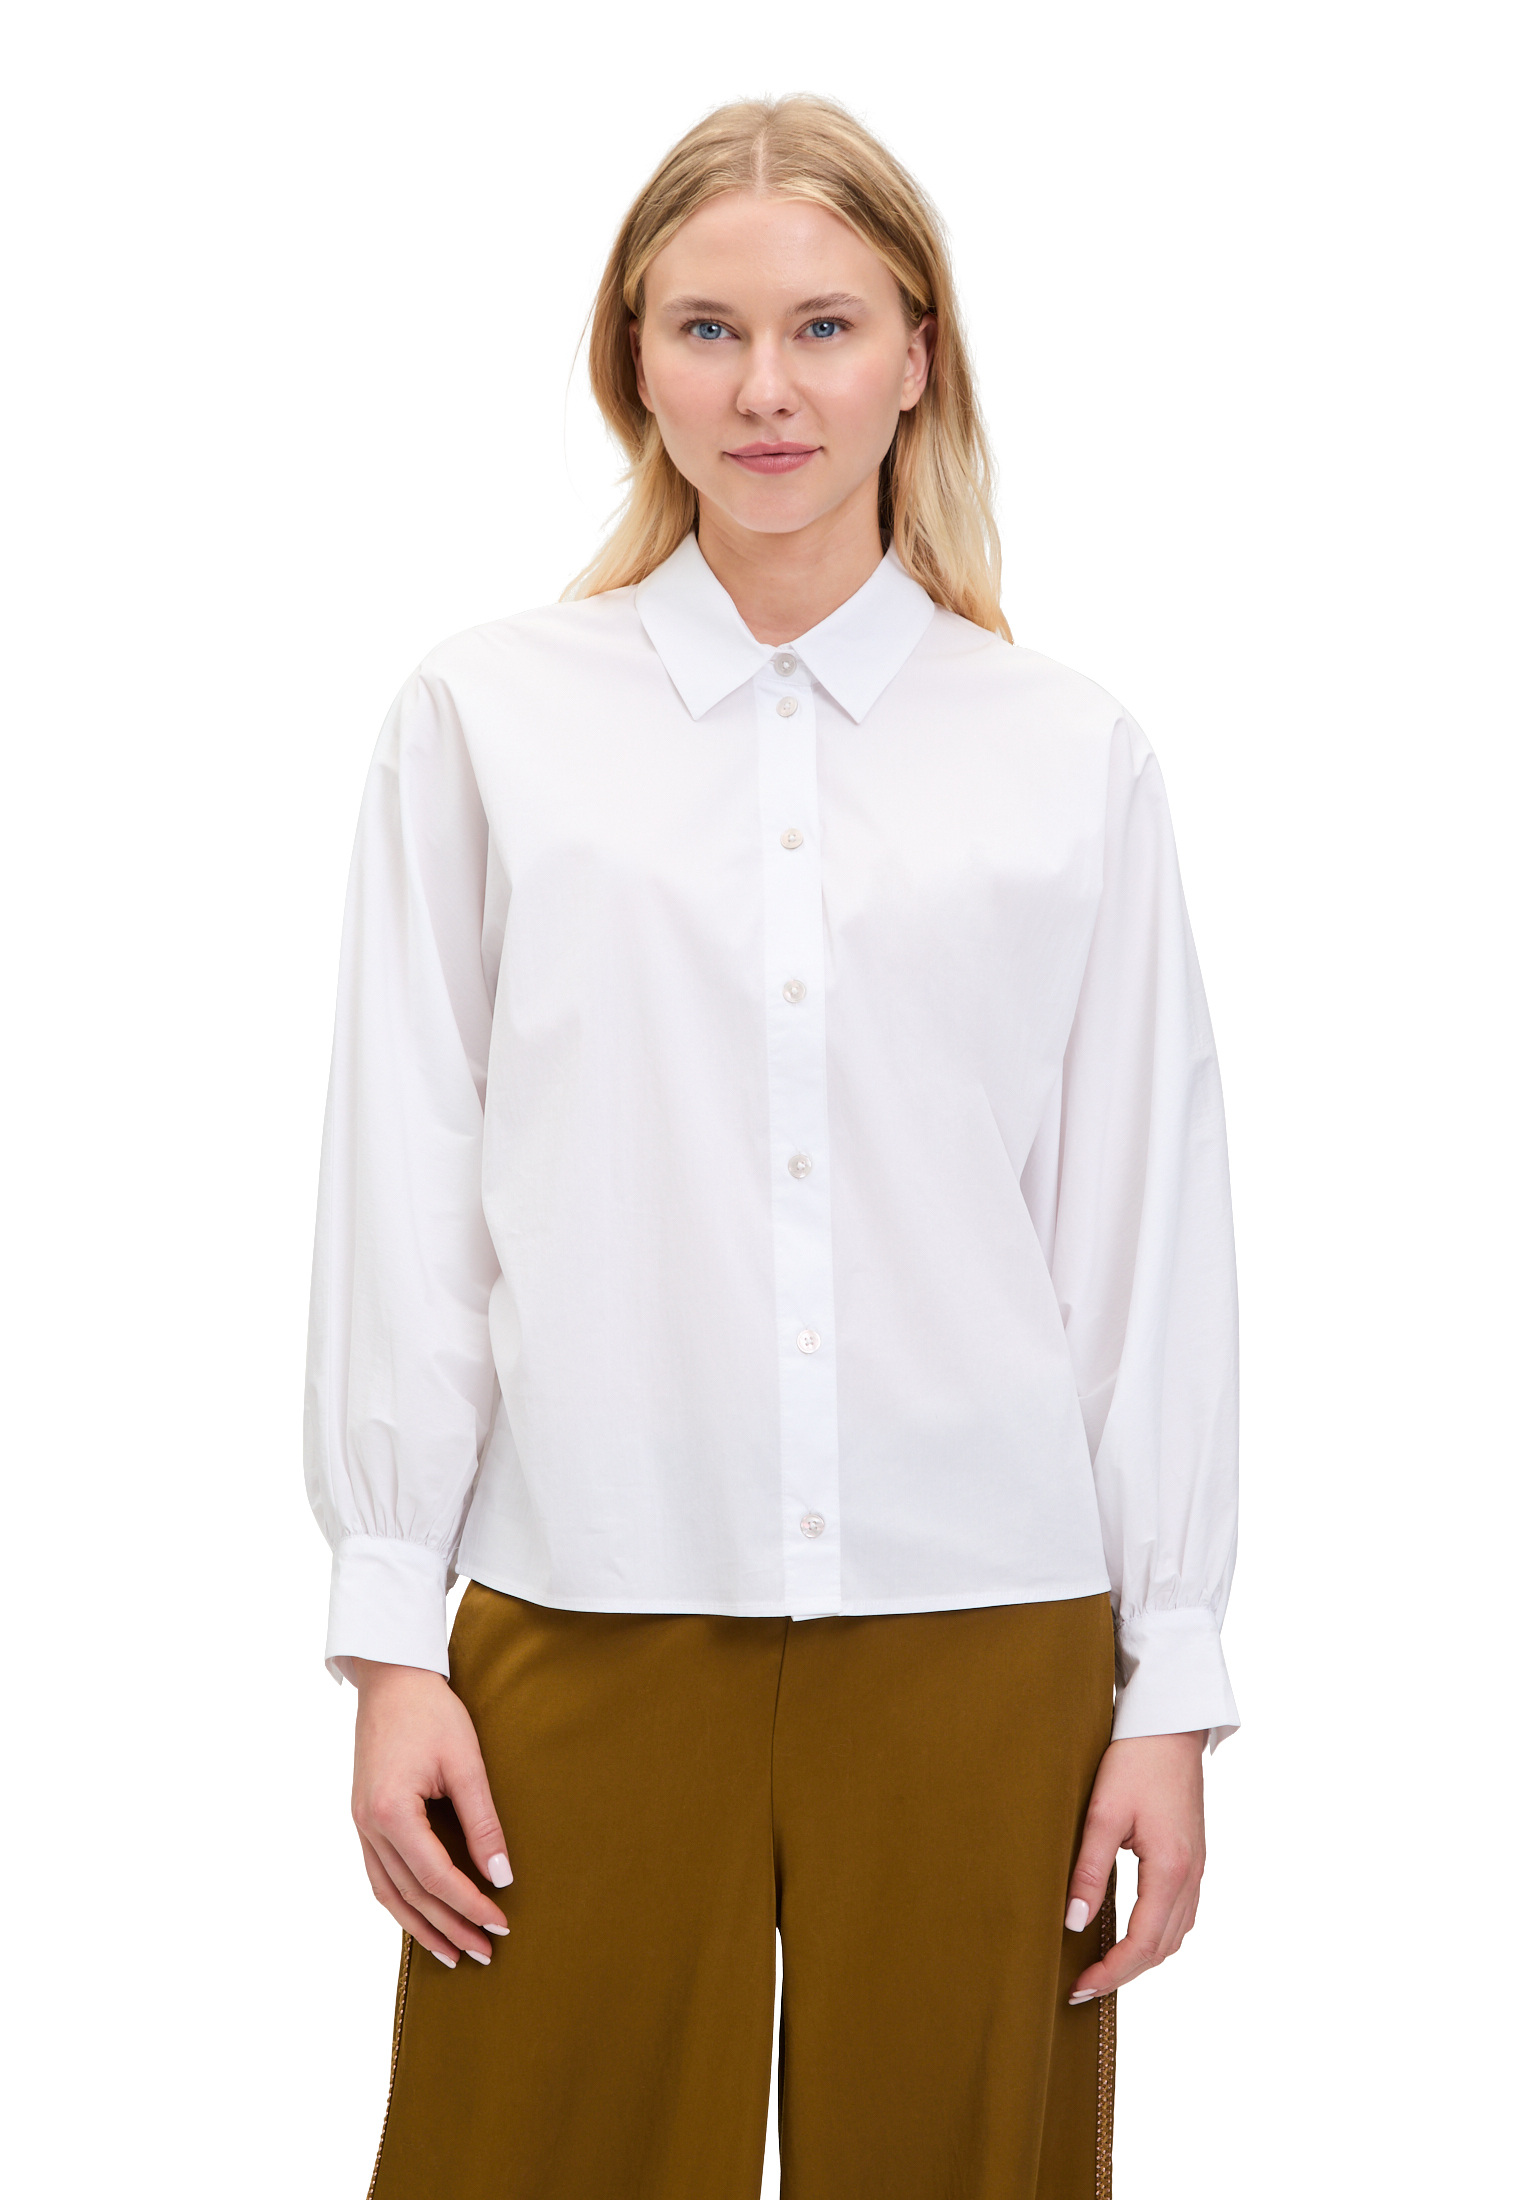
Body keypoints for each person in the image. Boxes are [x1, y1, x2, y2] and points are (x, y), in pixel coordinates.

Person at [306, 94, 1240, 2200]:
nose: (766, 389)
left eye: (823, 326)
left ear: (917, 353)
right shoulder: (485, 720)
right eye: (707, 329)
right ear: (633, 359)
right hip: (587, 1593)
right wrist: (388, 1637)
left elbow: (1136, 1236)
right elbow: (408, 1192)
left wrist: (1167, 1680)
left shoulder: (1066, 754)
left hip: (985, 1618)